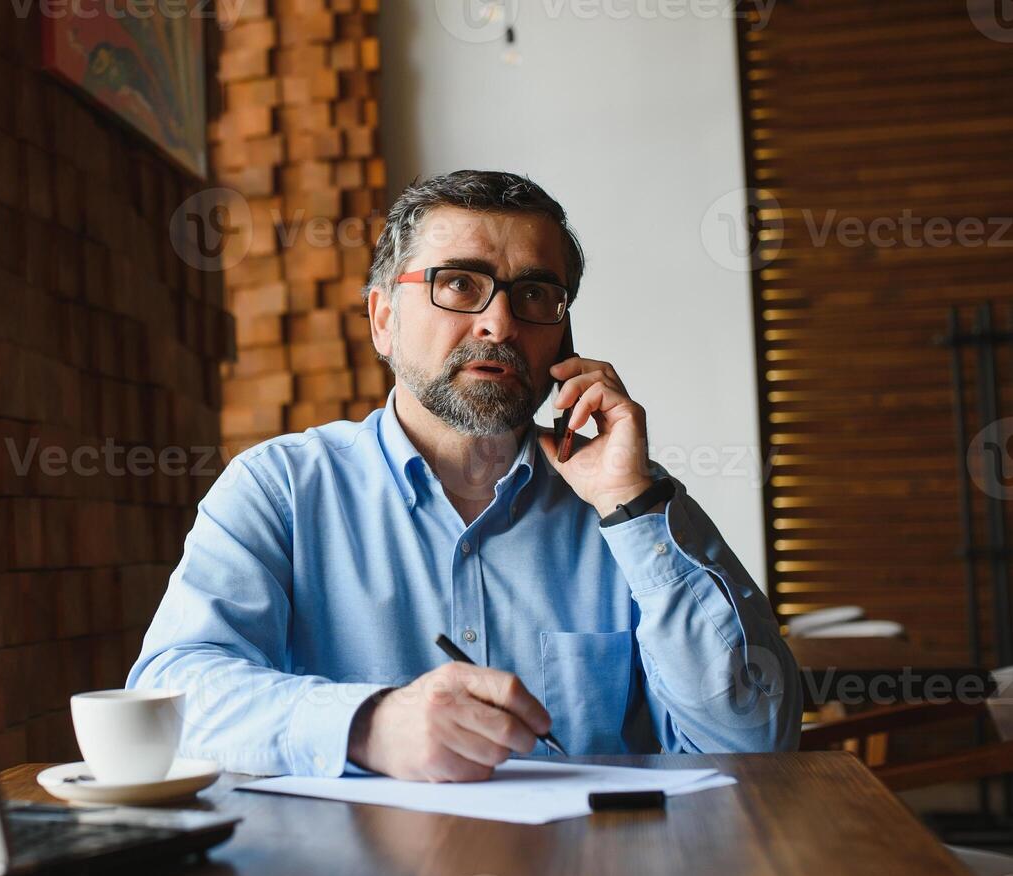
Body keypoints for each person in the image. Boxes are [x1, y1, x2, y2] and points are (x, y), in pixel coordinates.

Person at [127, 170, 800, 781]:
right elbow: (171, 696)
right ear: (384, 319)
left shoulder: (629, 505)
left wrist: (633, 506)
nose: (498, 322)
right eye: (458, 284)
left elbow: (757, 745)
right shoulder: (280, 490)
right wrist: (368, 725)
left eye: (534, 293)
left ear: (562, 340)